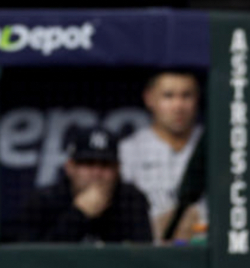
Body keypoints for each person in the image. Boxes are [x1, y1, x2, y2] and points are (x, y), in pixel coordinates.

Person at [18, 126, 153, 243]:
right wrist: (79, 214)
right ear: (70, 167)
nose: (96, 173)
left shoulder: (131, 200)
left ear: (118, 169)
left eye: (105, 165)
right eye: (88, 163)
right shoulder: (45, 200)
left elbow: (142, 257)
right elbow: (31, 259)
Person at [119, 71, 206, 242]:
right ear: (149, 98)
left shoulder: (214, 144)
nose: (178, 106)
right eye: (168, 96)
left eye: (186, 96)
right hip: (149, 253)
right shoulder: (129, 150)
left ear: (197, 98)